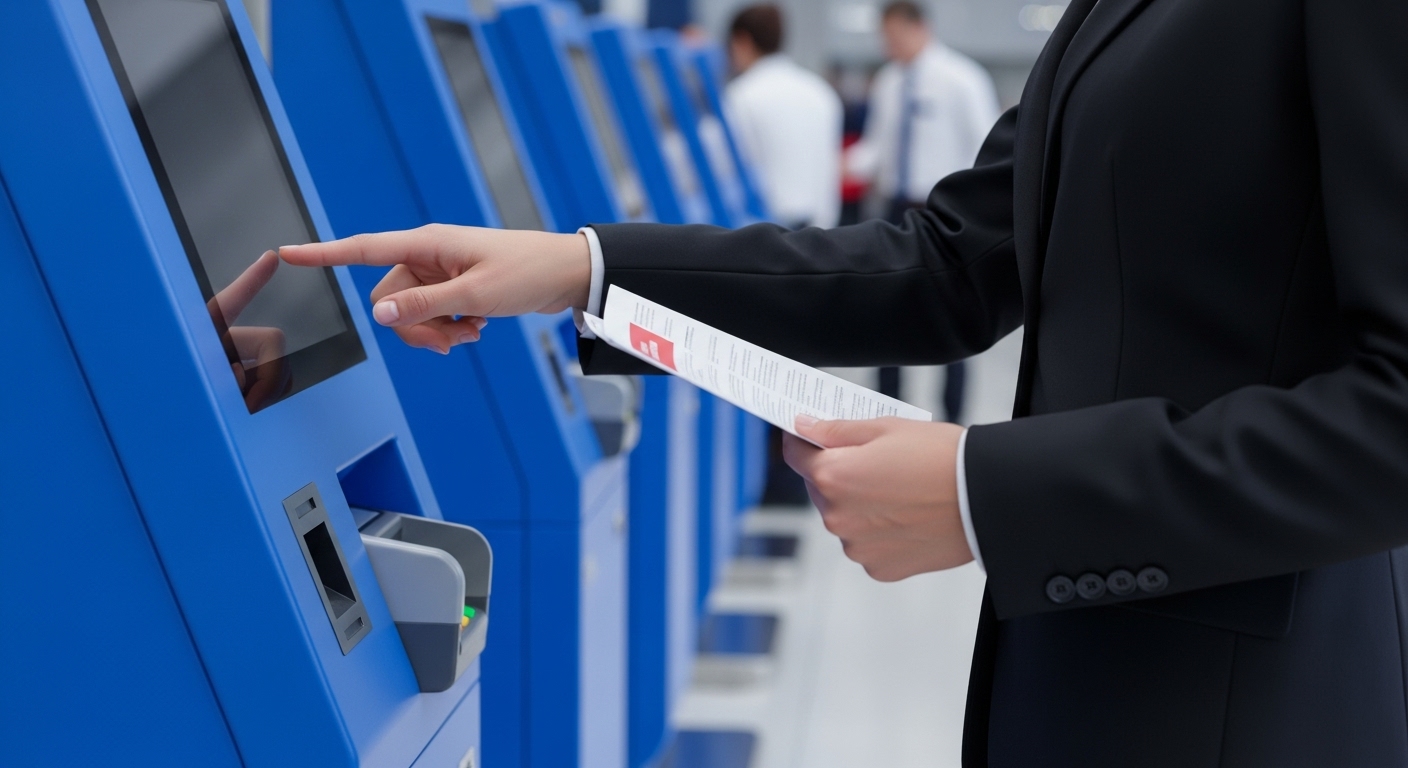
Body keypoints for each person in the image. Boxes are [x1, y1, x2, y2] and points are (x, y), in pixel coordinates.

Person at [282, 0, 1408, 763]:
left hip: (1240, 710)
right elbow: (946, 263)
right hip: (1085, 677)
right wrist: (582, 271)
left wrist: (984, 494)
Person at [847, 1, 1000, 421]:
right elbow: (876, 149)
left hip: (946, 211)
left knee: (953, 319)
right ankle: (886, 415)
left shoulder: (962, 79)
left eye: (894, 36)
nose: (889, 45)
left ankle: (951, 426)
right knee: (888, 317)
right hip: (897, 209)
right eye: (885, 37)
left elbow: (987, 149)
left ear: (920, 29)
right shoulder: (889, 83)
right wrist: (842, 165)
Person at [722, 4, 843, 230]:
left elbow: (725, 166)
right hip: (819, 232)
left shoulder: (741, 95)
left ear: (743, 41)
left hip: (764, 233)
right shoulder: (820, 92)